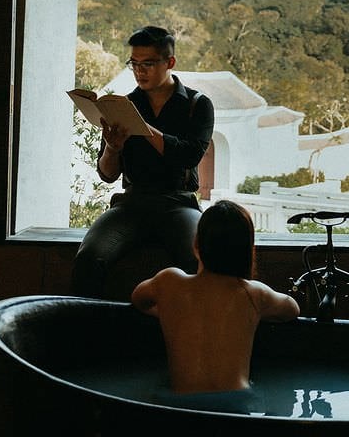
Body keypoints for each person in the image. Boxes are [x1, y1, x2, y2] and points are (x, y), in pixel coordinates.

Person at [70, 25, 214, 298]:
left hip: (178, 203)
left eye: (147, 64)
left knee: (200, 261)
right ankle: (88, 324)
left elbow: (189, 156)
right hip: (132, 203)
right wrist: (112, 148)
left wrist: (143, 128)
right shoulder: (122, 105)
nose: (139, 71)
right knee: (89, 258)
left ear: (170, 62)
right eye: (134, 64)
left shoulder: (197, 104)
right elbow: (107, 175)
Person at [131, 200, 300, 411]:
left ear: (196, 245)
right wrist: (252, 314)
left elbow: (138, 299)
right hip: (235, 404)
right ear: (247, 251)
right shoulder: (253, 294)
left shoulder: (168, 282)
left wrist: (171, 312)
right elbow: (292, 309)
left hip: (179, 407)